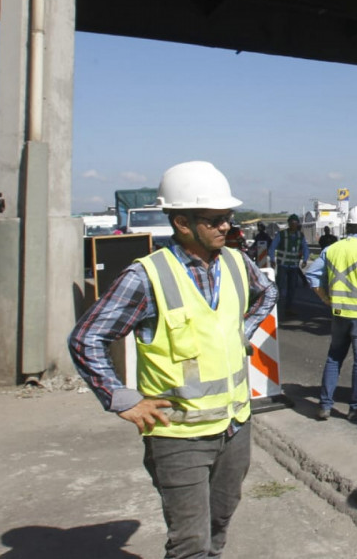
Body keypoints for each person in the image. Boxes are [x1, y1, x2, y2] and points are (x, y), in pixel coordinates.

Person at [68, 161, 276, 559]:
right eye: (215, 220)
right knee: (190, 543)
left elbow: (266, 294)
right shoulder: (145, 276)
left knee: (217, 526)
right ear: (182, 222)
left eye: (228, 219)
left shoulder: (236, 262)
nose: (226, 228)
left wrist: (242, 331)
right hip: (178, 437)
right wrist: (121, 399)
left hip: (235, 427)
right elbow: (87, 339)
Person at [305, 205, 357, 422]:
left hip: (339, 313)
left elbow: (311, 275)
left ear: (348, 227)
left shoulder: (332, 249)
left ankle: (324, 405)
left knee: (334, 358)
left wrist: (325, 298)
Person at [270, 214, 309, 316]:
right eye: (292, 223)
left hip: (294, 266)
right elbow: (273, 247)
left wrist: (305, 259)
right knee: (280, 285)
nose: (293, 225)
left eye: (295, 223)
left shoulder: (300, 236)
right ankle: (276, 307)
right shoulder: (282, 234)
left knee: (292, 287)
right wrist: (272, 259)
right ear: (289, 223)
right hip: (283, 265)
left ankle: (288, 307)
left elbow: (305, 248)